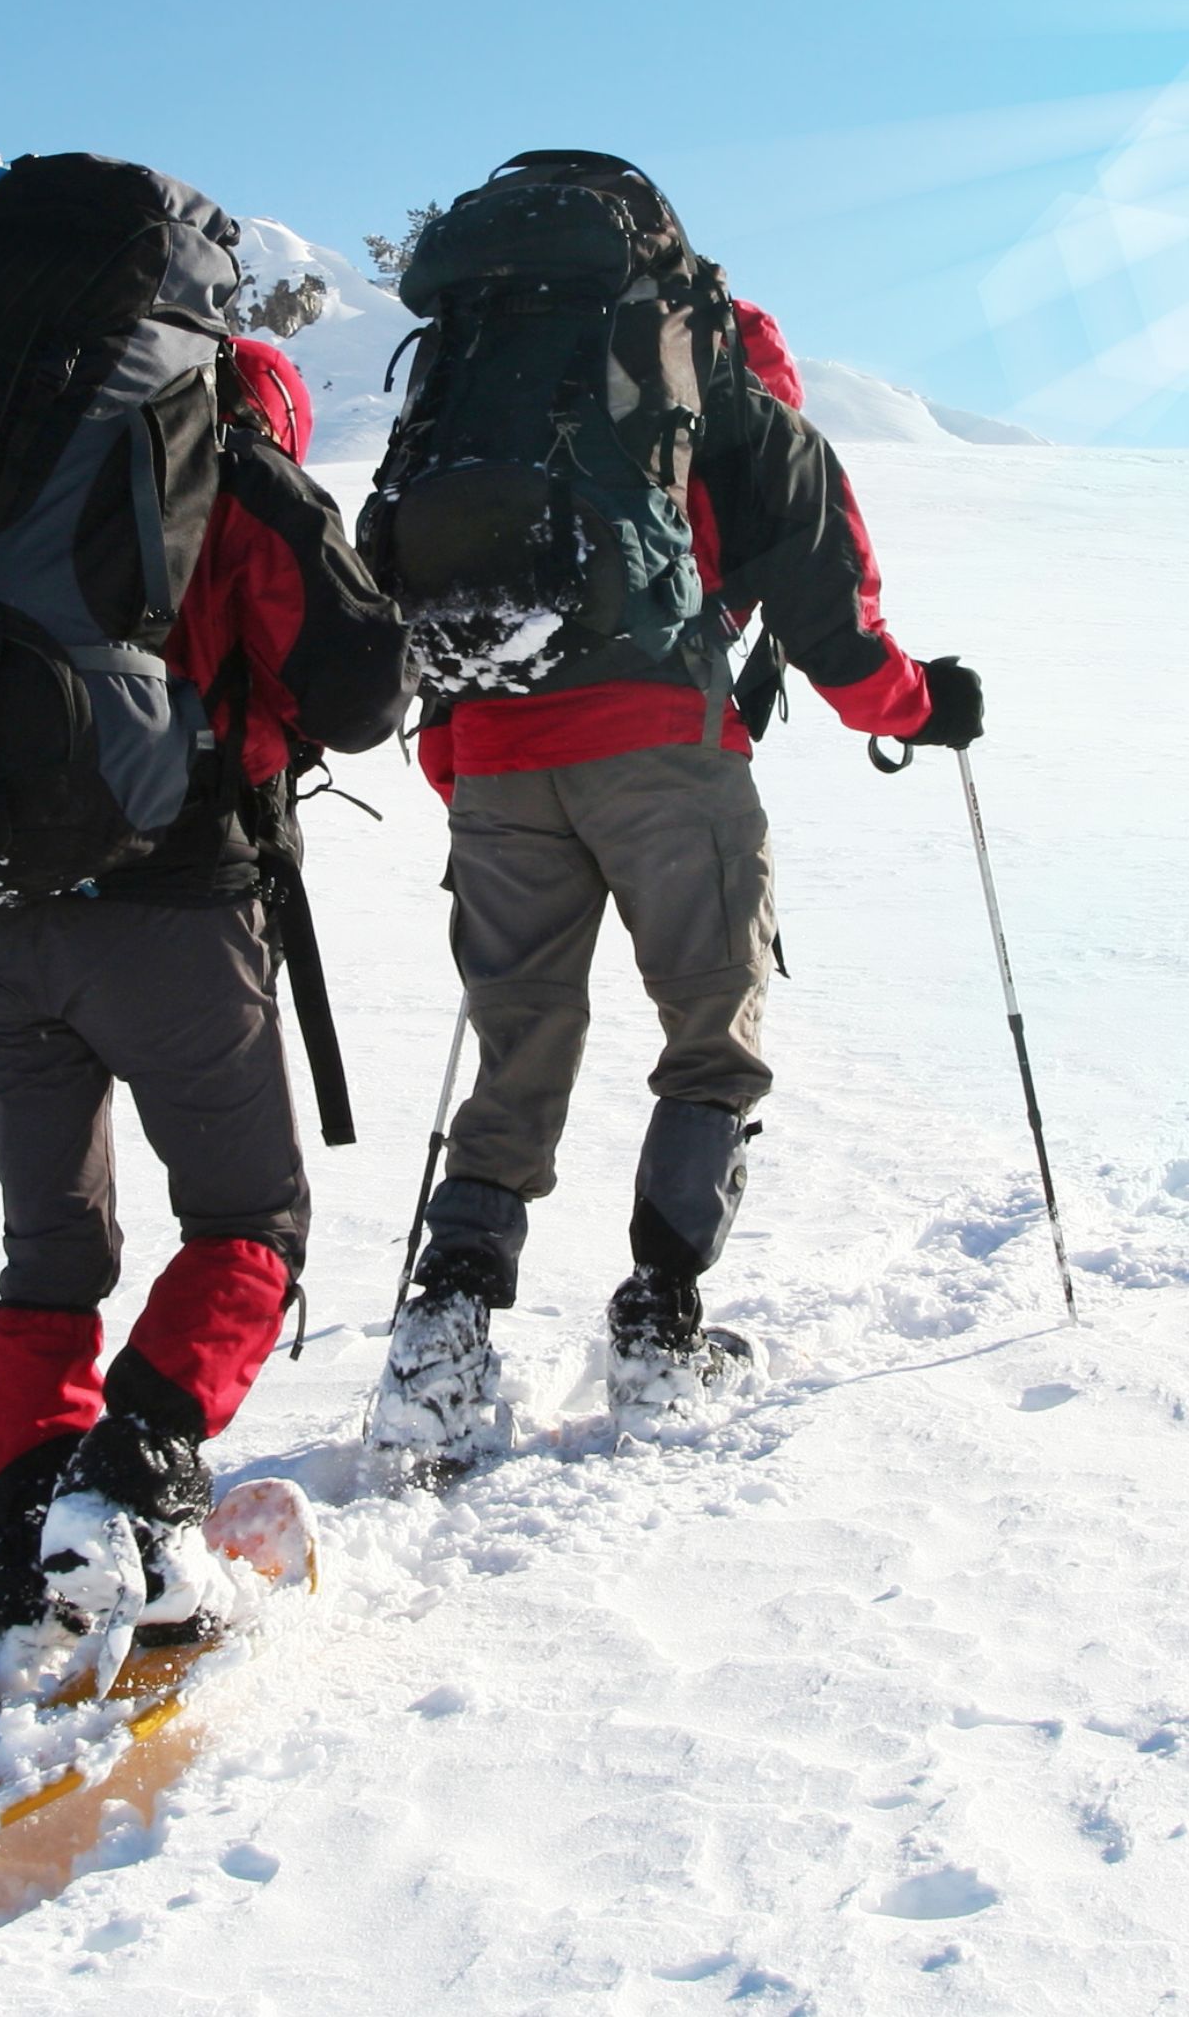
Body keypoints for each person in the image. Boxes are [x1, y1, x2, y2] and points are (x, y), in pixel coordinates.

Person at [367, 152, 983, 1462]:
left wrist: (465, 755)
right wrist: (919, 707)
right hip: (663, 744)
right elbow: (824, 575)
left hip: (491, 751)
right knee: (712, 1035)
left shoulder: (476, 360)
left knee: (516, 1047)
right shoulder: (709, 348)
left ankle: (445, 1336)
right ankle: (659, 1325)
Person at [0, 332, 408, 1696]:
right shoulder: (230, 468)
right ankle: (132, 1493)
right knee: (246, 1225)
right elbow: (364, 684)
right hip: (174, 917)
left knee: (51, 1255)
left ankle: (30, 1569)